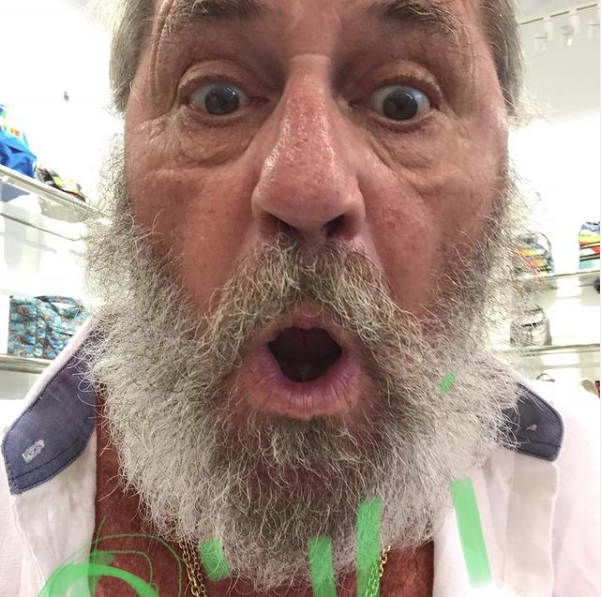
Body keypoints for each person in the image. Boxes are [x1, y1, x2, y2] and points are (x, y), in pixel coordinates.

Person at [0, 0, 599, 595]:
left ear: (502, 162)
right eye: (217, 98)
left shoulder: (585, 487)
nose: (307, 190)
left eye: (403, 102)